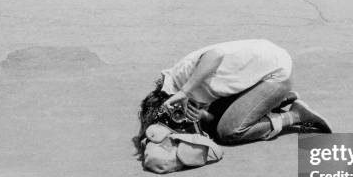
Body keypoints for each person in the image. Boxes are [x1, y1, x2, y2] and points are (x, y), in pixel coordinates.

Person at [134, 39, 331, 151]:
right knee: (215, 124)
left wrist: (185, 91)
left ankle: (294, 114)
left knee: (227, 132)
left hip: (275, 74)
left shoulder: (183, 79)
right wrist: (202, 116)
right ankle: (275, 100)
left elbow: (215, 55)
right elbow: (215, 114)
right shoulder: (184, 97)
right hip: (256, 75)